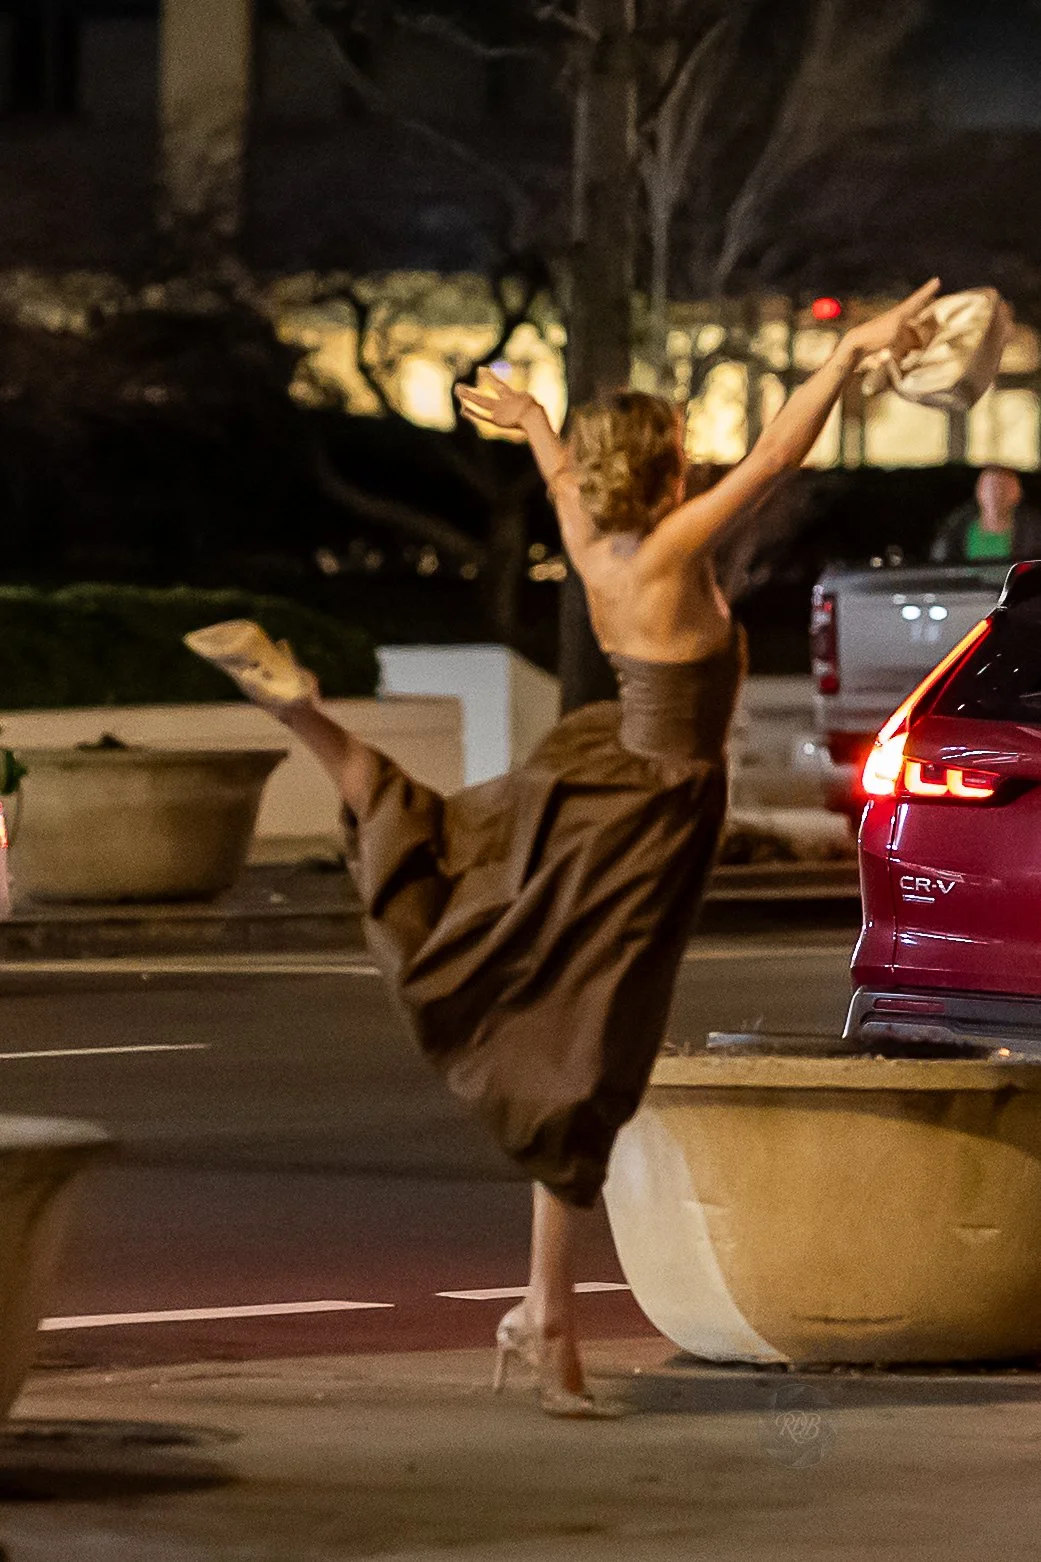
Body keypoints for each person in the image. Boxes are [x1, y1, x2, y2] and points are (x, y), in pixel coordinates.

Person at [184, 278, 942, 1418]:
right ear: (669, 465)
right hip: (651, 811)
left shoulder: (597, 550)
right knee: (591, 1053)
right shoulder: (674, 550)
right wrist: (850, 358)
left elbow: (560, 480)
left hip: (605, 764)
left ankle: (304, 710)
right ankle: (546, 1318)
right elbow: (779, 458)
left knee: (468, 883)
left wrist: (538, 424)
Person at [929, 465, 1041, 563]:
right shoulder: (956, 528)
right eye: (989, 488)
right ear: (979, 492)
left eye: (1003, 488)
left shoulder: (1034, 531)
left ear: (1017, 494)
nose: (995, 494)